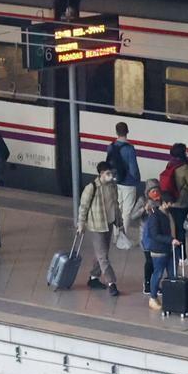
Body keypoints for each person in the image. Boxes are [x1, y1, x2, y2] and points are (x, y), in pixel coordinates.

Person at [76, 161, 122, 296]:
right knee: (103, 256)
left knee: (102, 253)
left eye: (111, 173)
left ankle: (93, 278)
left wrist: (119, 222)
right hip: (97, 225)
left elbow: (115, 204)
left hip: (109, 223)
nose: (111, 176)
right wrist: (81, 224)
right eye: (108, 173)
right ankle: (111, 283)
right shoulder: (91, 187)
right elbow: (83, 207)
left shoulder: (112, 186)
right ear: (101, 174)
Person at [161, 143, 188, 264]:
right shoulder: (185, 168)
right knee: (181, 230)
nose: (187, 152)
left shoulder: (170, 164)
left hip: (171, 201)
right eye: (186, 150)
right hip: (182, 203)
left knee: (175, 229)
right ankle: (182, 257)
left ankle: (175, 253)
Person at [144, 192, 181, 311]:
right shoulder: (155, 216)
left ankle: (172, 298)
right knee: (158, 274)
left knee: (173, 274)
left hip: (171, 249)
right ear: (164, 203)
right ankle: (153, 297)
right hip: (159, 250)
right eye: (170, 203)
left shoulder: (169, 214)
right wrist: (171, 240)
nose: (171, 205)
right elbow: (154, 235)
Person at [105, 122, 141, 242]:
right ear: (127, 132)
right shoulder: (129, 149)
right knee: (127, 211)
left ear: (116, 132)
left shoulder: (111, 146)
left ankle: (115, 235)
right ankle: (122, 237)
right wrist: (137, 179)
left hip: (115, 182)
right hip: (128, 183)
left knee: (118, 208)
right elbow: (133, 168)